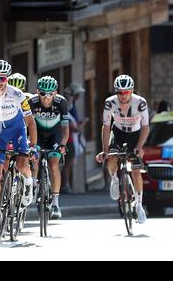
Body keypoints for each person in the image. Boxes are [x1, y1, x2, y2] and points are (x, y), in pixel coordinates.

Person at [0, 60, 37, 233]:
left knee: (21, 164)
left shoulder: (18, 94)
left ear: (7, 80)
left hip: (17, 129)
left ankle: (28, 182)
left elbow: (30, 122)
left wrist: (32, 145)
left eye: (2, 79)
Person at [96, 75, 149, 224]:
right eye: (119, 92)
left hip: (135, 134)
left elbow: (145, 127)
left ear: (132, 91)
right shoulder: (110, 103)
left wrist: (139, 147)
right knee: (111, 157)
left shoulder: (140, 103)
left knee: (136, 170)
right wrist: (105, 150)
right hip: (118, 133)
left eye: (126, 92)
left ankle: (139, 205)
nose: (123, 95)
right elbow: (106, 127)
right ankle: (114, 179)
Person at [28, 76, 69, 220]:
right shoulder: (32, 102)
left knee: (53, 164)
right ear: (37, 92)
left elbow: (65, 128)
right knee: (35, 157)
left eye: (50, 94)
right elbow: (28, 126)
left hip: (55, 135)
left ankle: (56, 204)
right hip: (37, 134)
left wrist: (63, 144)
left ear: (55, 93)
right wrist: (30, 144)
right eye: (43, 94)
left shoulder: (61, 102)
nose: (46, 98)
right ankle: (33, 184)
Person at [61, 82, 88, 194]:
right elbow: (74, 126)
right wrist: (83, 123)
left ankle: (66, 185)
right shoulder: (68, 108)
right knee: (68, 163)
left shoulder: (72, 106)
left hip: (71, 138)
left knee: (68, 163)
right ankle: (65, 185)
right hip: (69, 139)